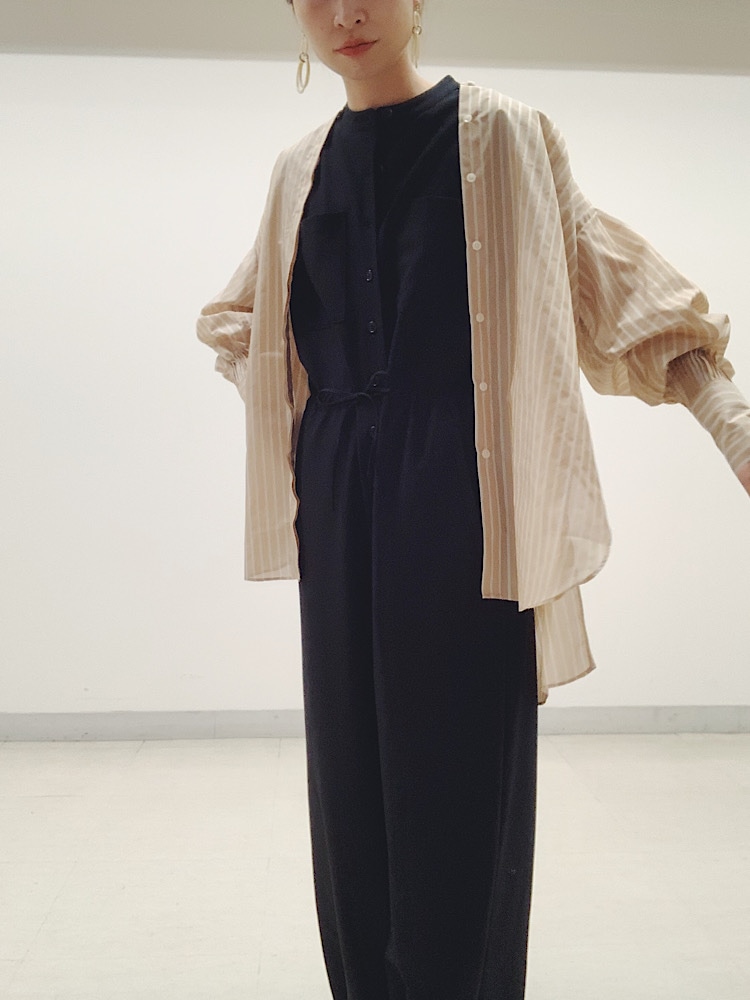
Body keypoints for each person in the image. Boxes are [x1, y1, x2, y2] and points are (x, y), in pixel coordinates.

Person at [196, 2, 750, 997]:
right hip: (337, 504)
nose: (345, 13)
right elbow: (243, 318)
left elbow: (616, 289)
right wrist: (292, 412)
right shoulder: (298, 168)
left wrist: (730, 422)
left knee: (456, 790)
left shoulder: (507, 136)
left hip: (464, 497)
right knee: (351, 795)